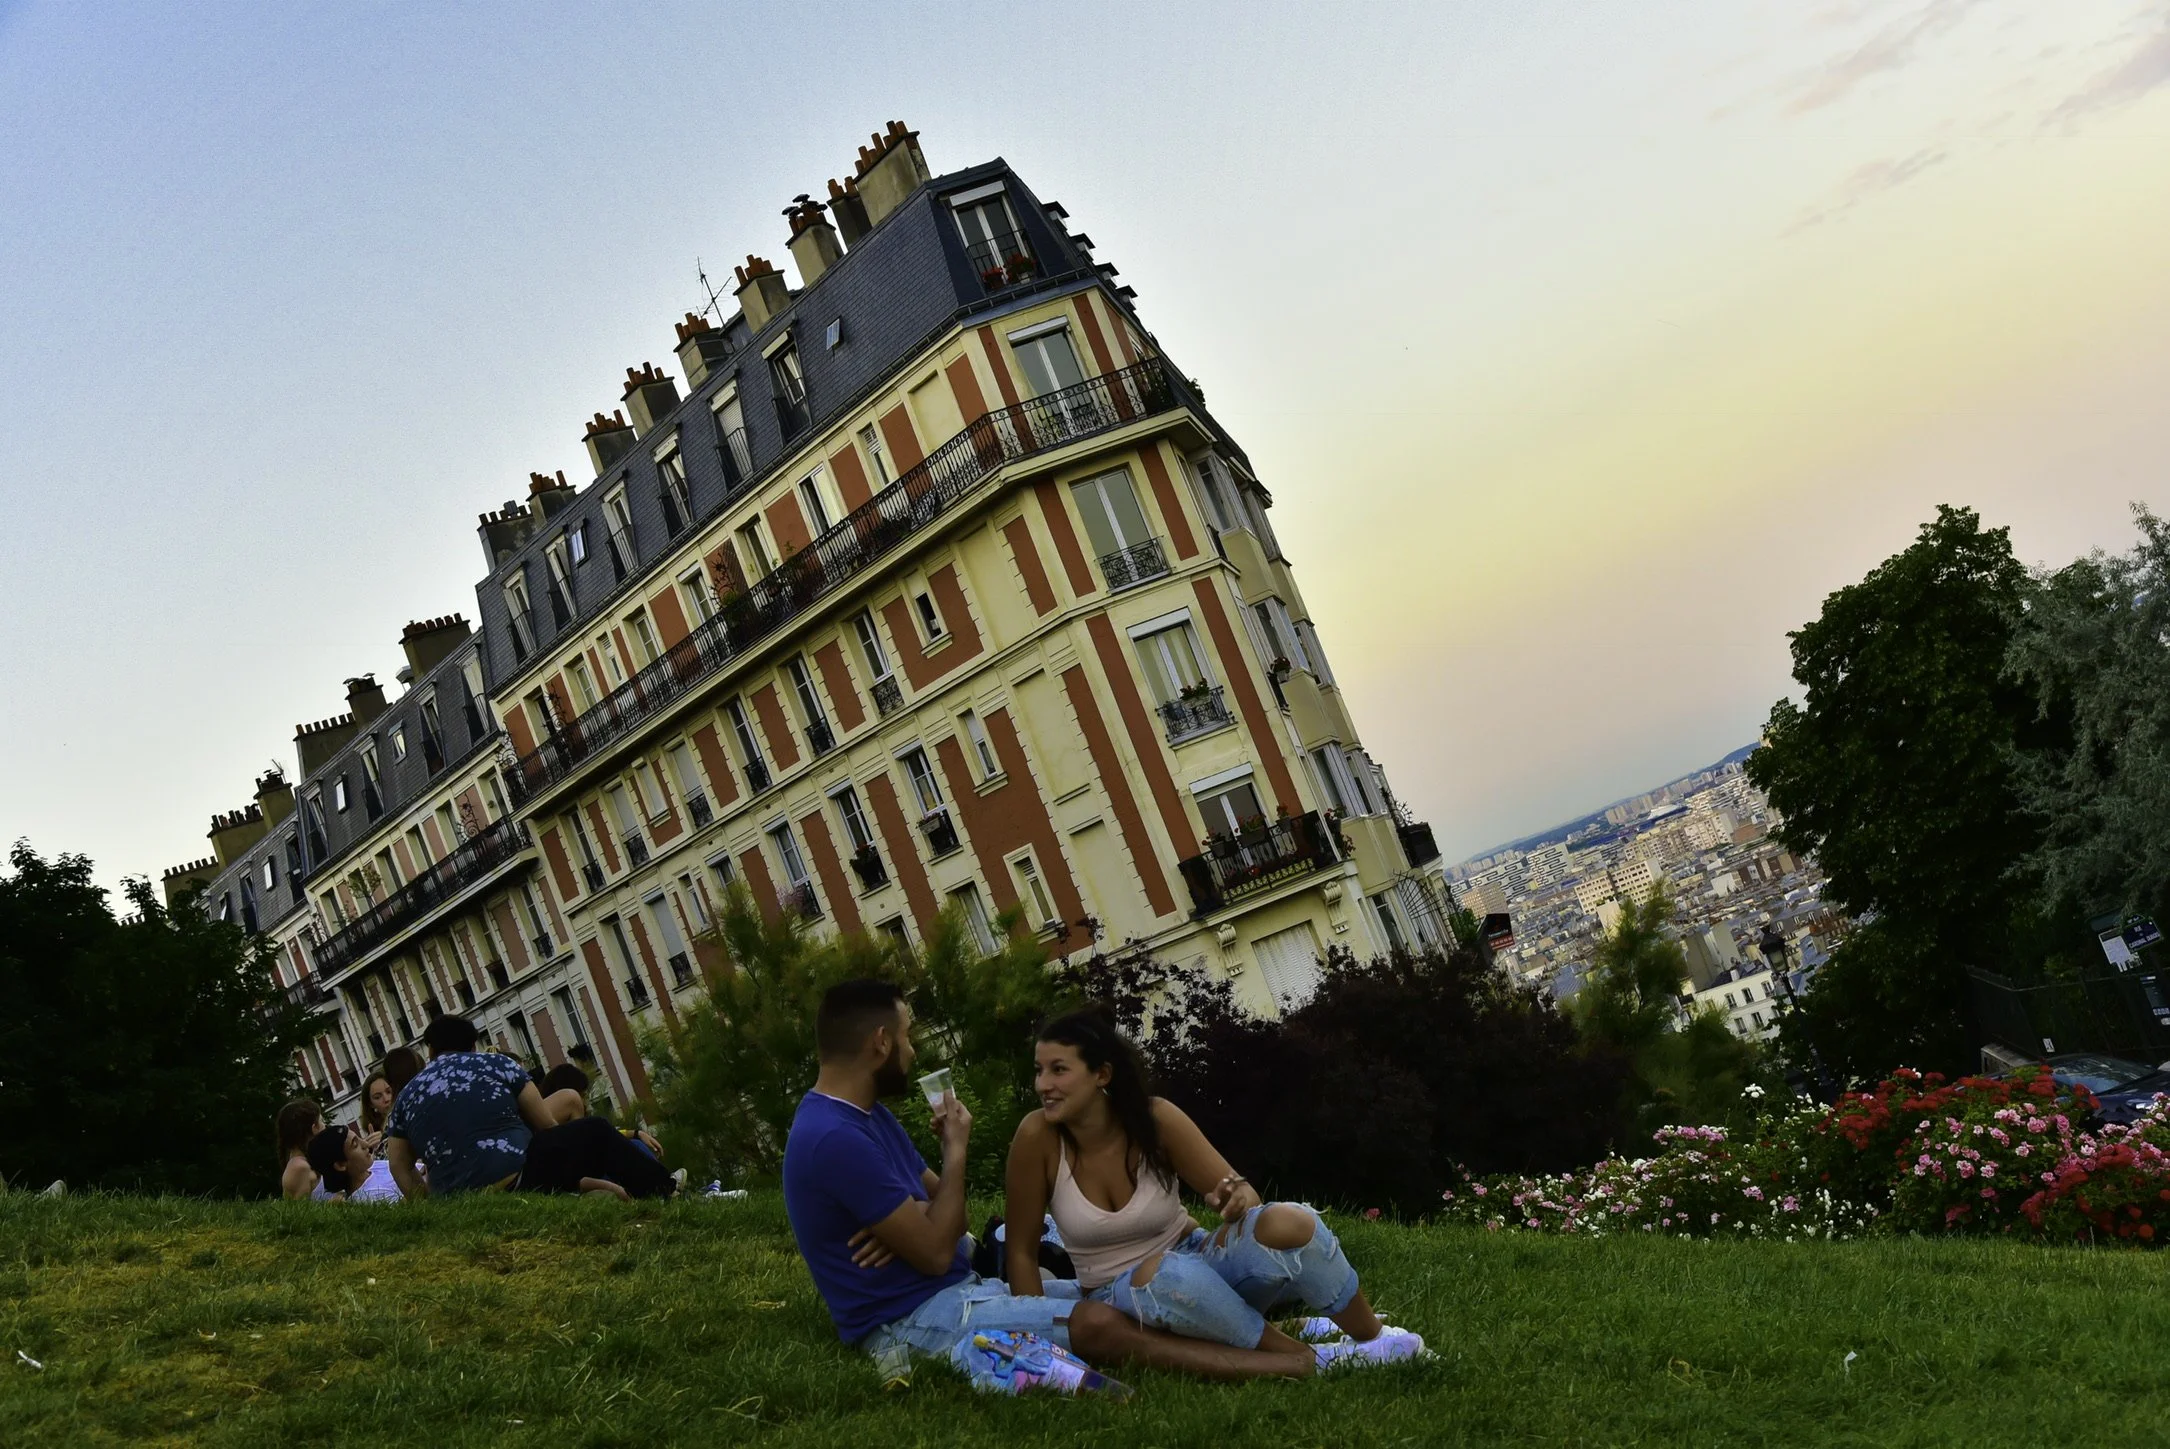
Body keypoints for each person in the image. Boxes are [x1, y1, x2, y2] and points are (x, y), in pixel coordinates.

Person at [781, 979, 1314, 1385]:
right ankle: (1269, 1365)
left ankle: (1273, 1328)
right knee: (1097, 1321)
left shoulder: (866, 1116)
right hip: (909, 1322)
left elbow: (945, 1219)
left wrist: (916, 1219)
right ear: (879, 1042)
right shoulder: (834, 1137)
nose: (912, 1050)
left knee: (1110, 1289)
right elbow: (936, 1250)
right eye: (906, 1037)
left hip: (957, 1290)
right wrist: (954, 1155)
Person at [1004, 1009, 1423, 1373]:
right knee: (1167, 1274)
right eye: (1039, 1070)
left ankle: (1374, 1338)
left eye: (1058, 1069)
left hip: (1202, 1262)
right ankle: (1312, 1357)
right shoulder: (1036, 1138)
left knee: (1288, 1220)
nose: (1043, 1084)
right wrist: (1037, 1337)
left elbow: (1241, 1192)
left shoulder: (1155, 1118)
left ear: (1102, 1075)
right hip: (1120, 1294)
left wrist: (1236, 1198)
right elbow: (1021, 1251)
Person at [384, 1014, 675, 1200]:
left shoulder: (407, 1095)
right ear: (473, 1046)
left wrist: (429, 1204)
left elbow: (399, 1163)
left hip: (455, 1199)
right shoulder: (498, 1064)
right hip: (517, 1179)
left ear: (431, 1051)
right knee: (596, 1131)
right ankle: (663, 1191)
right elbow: (546, 1127)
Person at [304, 1124, 402, 1202]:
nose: (366, 1144)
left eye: (359, 1138)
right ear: (341, 1165)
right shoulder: (368, 1198)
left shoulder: (373, 1167)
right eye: (355, 1145)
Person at [277, 1099, 325, 1200]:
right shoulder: (299, 1167)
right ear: (314, 1127)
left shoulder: (305, 1162)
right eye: (322, 1121)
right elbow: (301, 1213)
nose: (325, 1126)